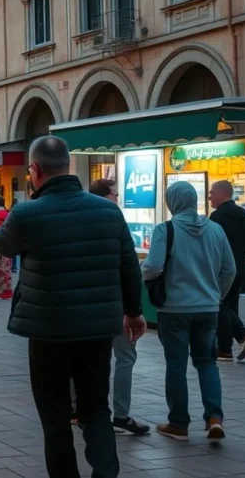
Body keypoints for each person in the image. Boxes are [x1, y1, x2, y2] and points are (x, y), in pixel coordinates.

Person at [0, 135, 146, 478]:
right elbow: (128, 265)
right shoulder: (108, 210)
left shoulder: (28, 212)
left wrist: (32, 203)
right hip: (96, 330)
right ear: (68, 167)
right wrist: (134, 312)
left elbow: (2, 244)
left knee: (55, 415)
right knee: (95, 408)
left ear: (34, 169)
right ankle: (105, 473)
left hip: (48, 331)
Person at [143, 180, 234, 441]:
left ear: (172, 202)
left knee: (176, 365)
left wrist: (141, 277)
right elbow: (230, 269)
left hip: (174, 310)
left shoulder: (165, 230)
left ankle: (179, 423)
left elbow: (153, 267)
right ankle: (214, 418)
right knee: (207, 363)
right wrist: (215, 295)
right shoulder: (216, 229)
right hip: (208, 308)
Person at [85, 180, 148, 435]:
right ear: (105, 196)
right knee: (125, 356)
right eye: (115, 195)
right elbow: (129, 267)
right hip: (114, 303)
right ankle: (120, 415)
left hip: (86, 303)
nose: (118, 199)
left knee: (84, 357)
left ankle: (79, 410)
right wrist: (132, 310)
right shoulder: (113, 220)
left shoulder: (81, 222)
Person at [207, 180, 245, 361]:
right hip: (241, 265)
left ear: (222, 193)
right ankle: (231, 345)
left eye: (212, 193)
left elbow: (211, 245)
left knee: (220, 303)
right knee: (230, 304)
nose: (209, 196)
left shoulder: (217, 218)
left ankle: (234, 341)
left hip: (223, 266)